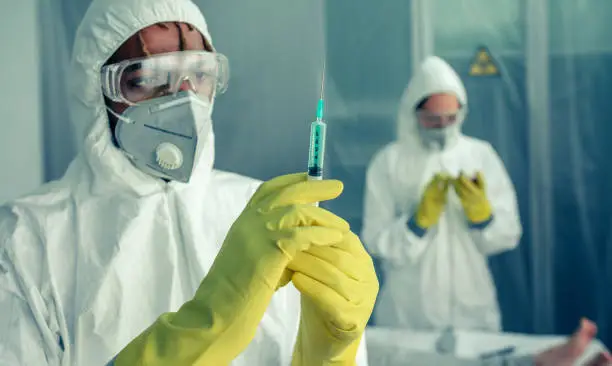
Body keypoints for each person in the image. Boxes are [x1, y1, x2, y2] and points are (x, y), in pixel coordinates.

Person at [0, 0, 378, 364]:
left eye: (199, 75)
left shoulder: (264, 211)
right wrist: (201, 333)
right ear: (93, 92)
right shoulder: (27, 240)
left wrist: (329, 355)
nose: (184, 99)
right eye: (147, 80)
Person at [361, 56, 522, 331]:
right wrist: (416, 225)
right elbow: (375, 242)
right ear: (414, 114)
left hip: (471, 303)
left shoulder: (480, 156)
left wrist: (482, 218)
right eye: (433, 120)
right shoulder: (389, 161)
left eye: (451, 118)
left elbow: (508, 235)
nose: (444, 127)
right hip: (409, 309)